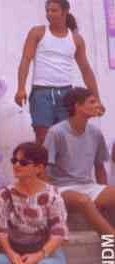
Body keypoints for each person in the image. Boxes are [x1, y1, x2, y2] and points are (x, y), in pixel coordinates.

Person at [15, 0, 104, 144]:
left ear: (65, 12)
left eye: (54, 10)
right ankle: (43, 167)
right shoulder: (38, 32)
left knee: (66, 139)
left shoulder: (76, 39)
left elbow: (86, 70)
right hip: (41, 93)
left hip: (66, 93)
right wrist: (20, 88)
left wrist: (97, 98)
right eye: (47, 10)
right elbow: (25, 60)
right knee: (43, 138)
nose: (49, 13)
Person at [44, 87, 115, 236]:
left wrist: (103, 192)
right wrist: (50, 199)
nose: (98, 105)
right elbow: (43, 169)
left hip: (88, 186)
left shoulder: (95, 133)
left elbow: (99, 167)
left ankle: (109, 254)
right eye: (92, 102)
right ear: (77, 106)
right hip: (61, 188)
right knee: (84, 201)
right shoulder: (56, 132)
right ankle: (111, 239)